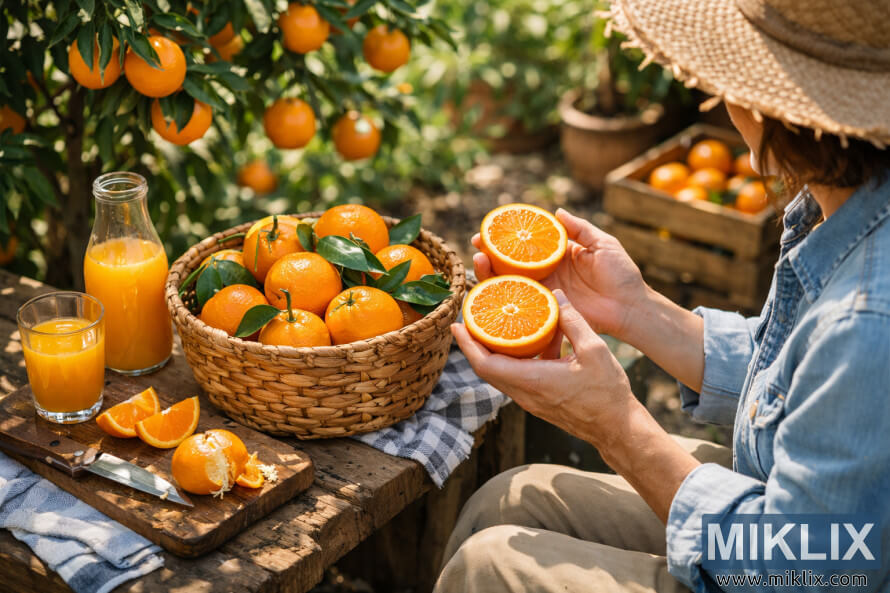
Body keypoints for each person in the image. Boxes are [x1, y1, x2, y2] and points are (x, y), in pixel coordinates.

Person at [434, 0, 890, 591]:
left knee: (487, 565)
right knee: (507, 502)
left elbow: (809, 567)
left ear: (766, 106)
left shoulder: (867, 316)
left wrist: (616, 428)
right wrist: (636, 310)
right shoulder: (848, 207)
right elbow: (803, 375)